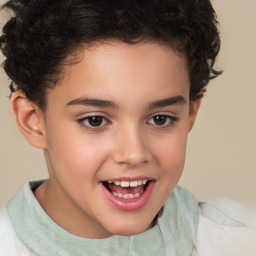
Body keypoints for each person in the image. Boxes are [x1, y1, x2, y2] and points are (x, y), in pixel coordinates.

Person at [0, 0, 255, 255]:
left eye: (160, 119)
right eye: (95, 120)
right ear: (32, 120)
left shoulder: (238, 242)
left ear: (190, 113)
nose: (134, 154)